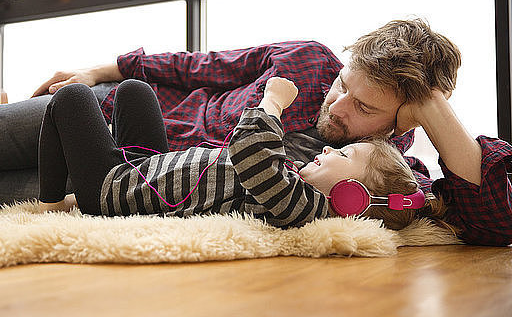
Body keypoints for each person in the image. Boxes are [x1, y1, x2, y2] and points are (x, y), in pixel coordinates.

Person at [0, 19, 509, 245]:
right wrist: (105, 69)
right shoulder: (306, 58)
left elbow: (493, 219)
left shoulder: (377, 167)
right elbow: (202, 64)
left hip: (127, 189)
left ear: (402, 120)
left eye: (365, 108)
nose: (339, 106)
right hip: (118, 117)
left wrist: (429, 105)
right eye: (344, 86)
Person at [37, 78, 442, 232]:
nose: (330, 152)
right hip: (146, 168)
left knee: (72, 97)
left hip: (115, 190)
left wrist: (272, 103)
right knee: (134, 91)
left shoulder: (298, 205)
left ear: (351, 196)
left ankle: (54, 201)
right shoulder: (299, 185)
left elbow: (248, 150)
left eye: (346, 154)